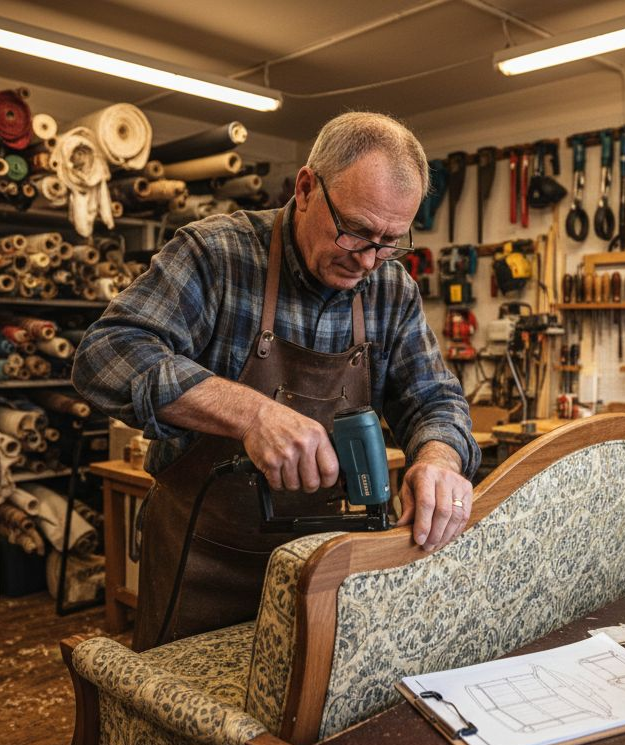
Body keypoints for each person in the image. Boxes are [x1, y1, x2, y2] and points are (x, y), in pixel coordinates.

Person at [73, 111, 479, 650]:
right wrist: (251, 413)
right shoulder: (215, 254)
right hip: (201, 558)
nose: (367, 259)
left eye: (389, 241)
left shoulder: (390, 289)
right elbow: (106, 353)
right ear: (306, 187)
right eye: (355, 230)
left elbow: (435, 397)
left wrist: (438, 460)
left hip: (324, 564)